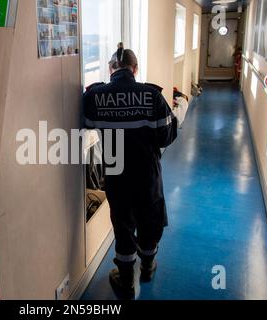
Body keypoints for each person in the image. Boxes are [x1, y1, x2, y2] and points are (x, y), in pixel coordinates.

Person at [83, 43, 178, 300]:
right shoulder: (152, 96)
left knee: (123, 224)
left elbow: (88, 123)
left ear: (111, 68)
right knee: (150, 217)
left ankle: (126, 281)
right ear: (135, 69)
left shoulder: (94, 96)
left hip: (116, 171)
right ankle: (147, 267)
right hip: (147, 171)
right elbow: (167, 136)